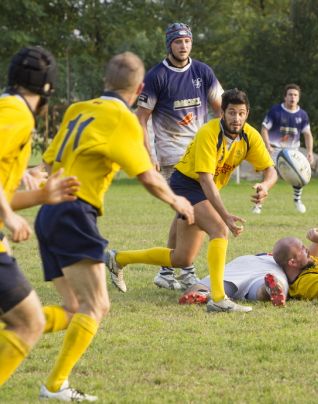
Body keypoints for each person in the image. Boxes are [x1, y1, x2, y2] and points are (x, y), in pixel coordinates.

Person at [34, 51, 195, 401]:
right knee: (96, 306)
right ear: (139, 88)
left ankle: (26, 336)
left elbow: (47, 165)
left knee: (74, 307)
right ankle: (54, 383)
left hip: (47, 213)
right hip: (75, 213)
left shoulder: (78, 109)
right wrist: (177, 201)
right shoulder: (123, 118)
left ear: (105, 81)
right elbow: (148, 176)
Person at [106, 88, 278, 313]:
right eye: (232, 113)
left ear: (247, 114)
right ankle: (218, 299)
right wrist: (225, 217)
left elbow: (270, 170)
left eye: (241, 113)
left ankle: (118, 259)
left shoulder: (249, 135)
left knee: (181, 257)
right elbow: (206, 181)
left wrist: (265, 185)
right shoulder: (209, 133)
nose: (237, 118)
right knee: (219, 230)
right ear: (222, 113)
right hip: (187, 185)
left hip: (202, 189)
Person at [0, 46, 82, 387]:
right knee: (28, 322)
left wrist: (39, 194)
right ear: (47, 87)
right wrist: (9, 217)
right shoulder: (16, 113)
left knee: (27, 319)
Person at [137, 22, 224, 290]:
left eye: (187, 41)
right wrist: (148, 153)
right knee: (195, 212)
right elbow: (140, 119)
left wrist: (223, 143)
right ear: (169, 45)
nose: (183, 46)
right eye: (178, 42)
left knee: (184, 212)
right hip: (172, 155)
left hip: (202, 154)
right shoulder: (156, 76)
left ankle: (166, 271)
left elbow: (222, 107)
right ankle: (186, 271)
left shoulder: (202, 71)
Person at [260, 83, 314, 213]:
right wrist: (267, 146)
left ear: (299, 98)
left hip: (293, 151)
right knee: (268, 177)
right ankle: (258, 204)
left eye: (295, 95)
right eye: (290, 94)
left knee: (300, 175)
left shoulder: (302, 115)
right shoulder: (275, 111)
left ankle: (297, 200)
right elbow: (264, 129)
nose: (292, 97)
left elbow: (308, 134)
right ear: (285, 97)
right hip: (275, 150)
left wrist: (310, 151)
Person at [179, 254, 289, 307]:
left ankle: (204, 294)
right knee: (261, 290)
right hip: (272, 270)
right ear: (292, 261)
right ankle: (268, 288)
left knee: (207, 284)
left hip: (244, 262)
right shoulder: (295, 266)